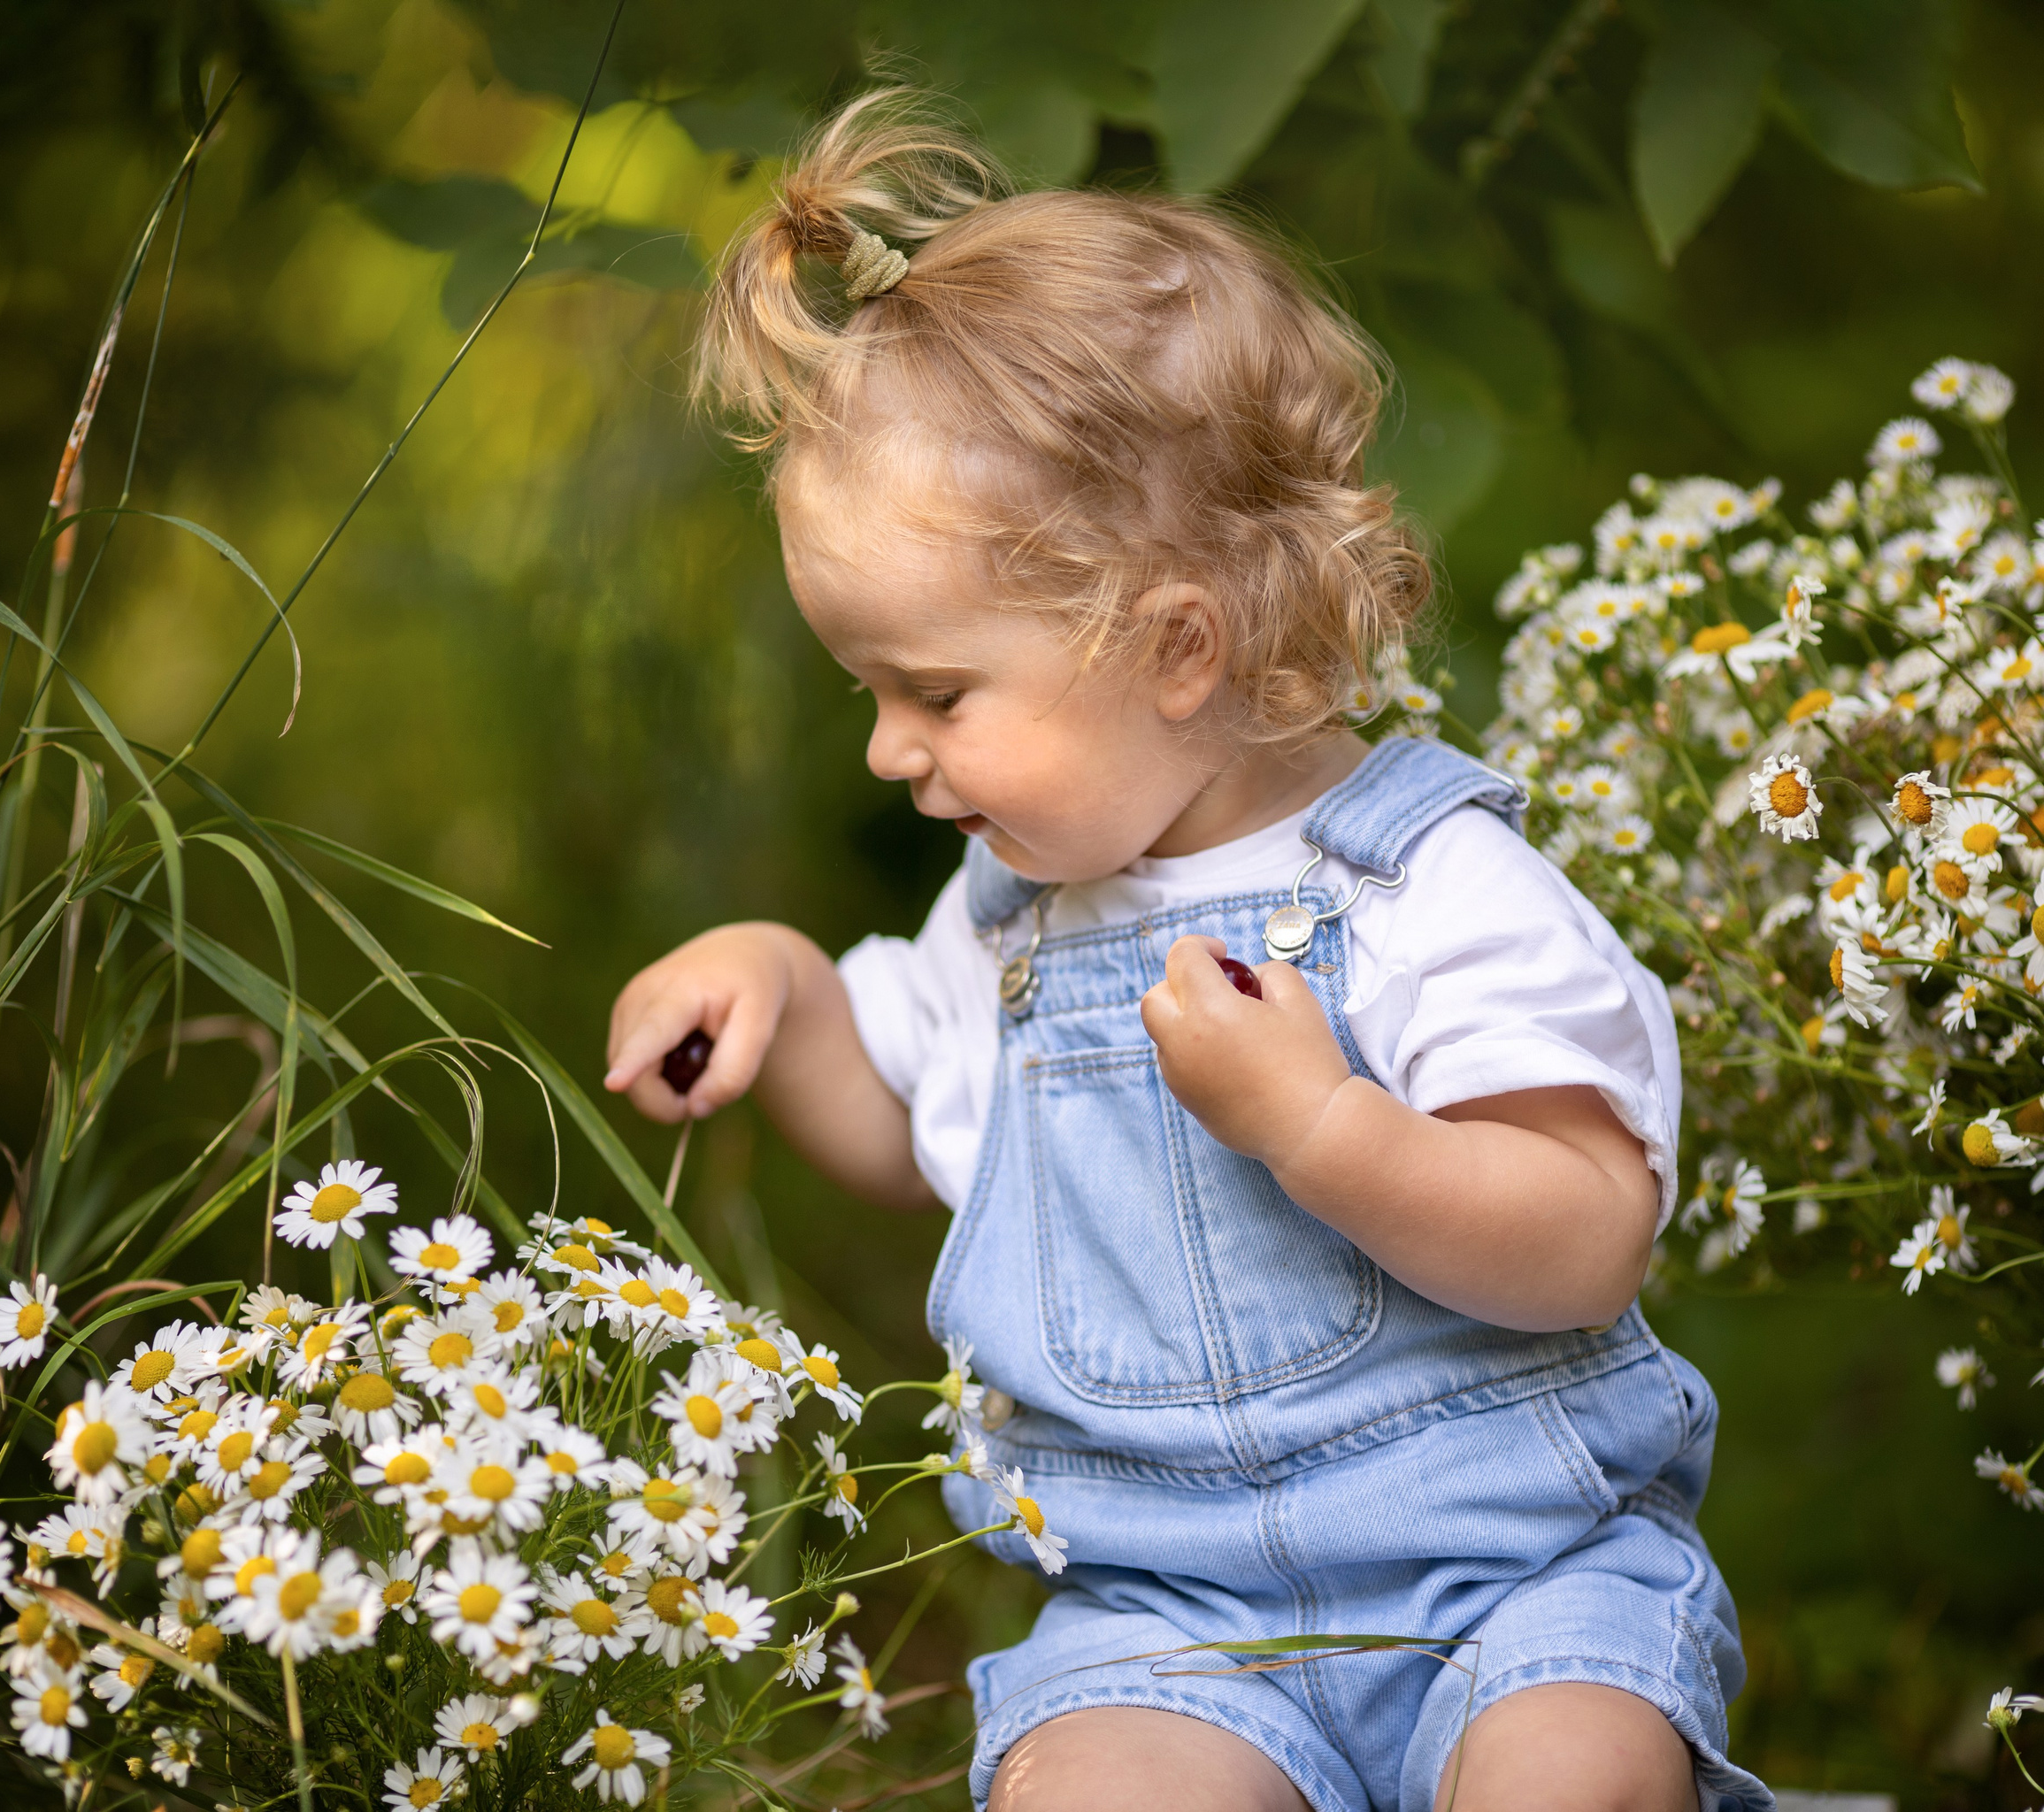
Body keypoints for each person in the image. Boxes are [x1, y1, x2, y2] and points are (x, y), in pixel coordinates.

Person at [603, 90, 1764, 1812]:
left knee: (1564, 1778)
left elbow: (1585, 1235)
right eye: (868, 693)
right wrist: (780, 989)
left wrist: (1319, 1127)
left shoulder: (1423, 884)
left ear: (1174, 649)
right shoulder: (1006, 919)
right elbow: (913, 1146)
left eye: (934, 692)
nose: (886, 749)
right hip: (1164, 1624)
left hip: (1516, 1583)